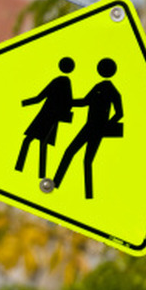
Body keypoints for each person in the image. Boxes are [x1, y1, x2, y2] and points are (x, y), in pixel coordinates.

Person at [53, 58, 124, 199]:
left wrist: (106, 125)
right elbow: (85, 101)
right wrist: (69, 103)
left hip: (97, 129)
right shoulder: (98, 87)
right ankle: (55, 185)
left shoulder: (112, 91)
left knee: (86, 160)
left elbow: (119, 113)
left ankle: (88, 195)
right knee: (70, 152)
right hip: (88, 126)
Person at [15, 57, 75, 179]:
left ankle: (20, 167)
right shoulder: (66, 83)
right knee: (42, 146)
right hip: (51, 118)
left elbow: (39, 98)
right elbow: (69, 103)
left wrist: (22, 103)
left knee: (28, 141)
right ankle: (40, 174)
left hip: (45, 116)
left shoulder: (58, 81)